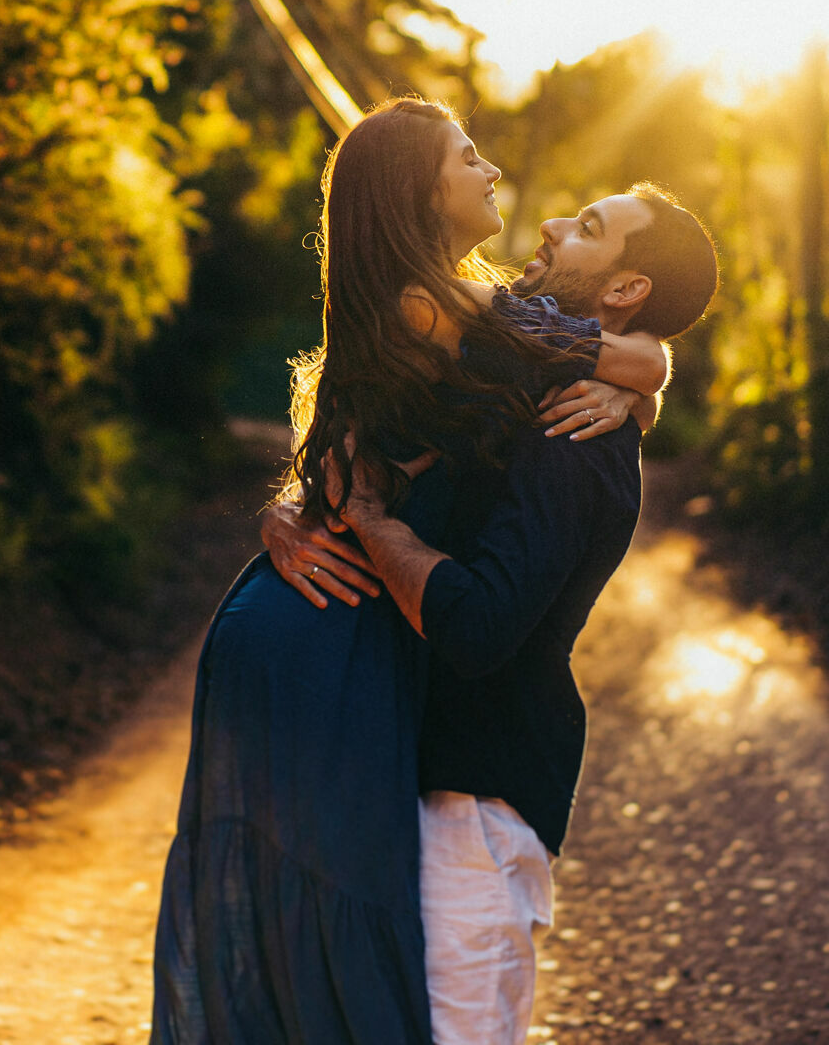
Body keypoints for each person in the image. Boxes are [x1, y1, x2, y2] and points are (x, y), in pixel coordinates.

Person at [148, 97, 671, 1045]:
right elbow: (589, 349)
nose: (497, 176)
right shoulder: (435, 308)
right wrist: (643, 378)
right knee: (335, 962)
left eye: (586, 226)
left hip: (328, 653)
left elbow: (572, 356)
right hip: (316, 651)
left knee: (334, 971)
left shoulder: (463, 322)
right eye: (468, 158)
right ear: (417, 196)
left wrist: (640, 382)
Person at [263, 184, 720, 1044]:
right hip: (409, 778)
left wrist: (369, 520)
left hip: (475, 795)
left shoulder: (571, 432)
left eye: (587, 229)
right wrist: (292, 509)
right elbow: (368, 445)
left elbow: (477, 627)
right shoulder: (513, 368)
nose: (548, 224)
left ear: (626, 290)